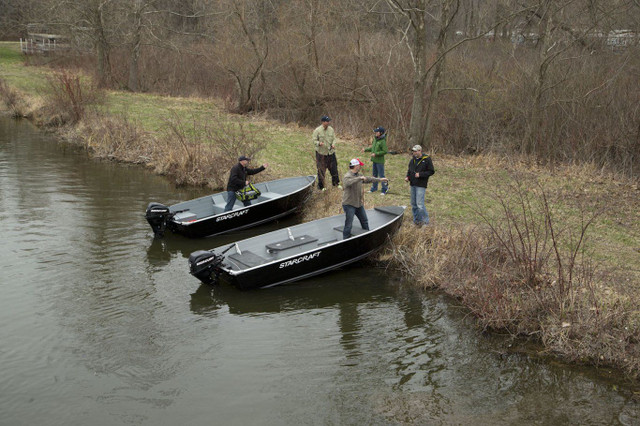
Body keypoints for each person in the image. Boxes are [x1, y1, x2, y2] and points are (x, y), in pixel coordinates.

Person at [341, 158, 388, 239]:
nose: (360, 167)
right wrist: (360, 178)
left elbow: (369, 179)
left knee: (364, 221)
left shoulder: (359, 175)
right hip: (349, 204)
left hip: (358, 204)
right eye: (359, 165)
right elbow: (347, 183)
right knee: (349, 224)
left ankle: (367, 237)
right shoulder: (347, 176)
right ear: (355, 166)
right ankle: (345, 240)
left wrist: (380, 179)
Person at [405, 145, 435, 226]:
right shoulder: (412, 160)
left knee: (420, 205)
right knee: (413, 204)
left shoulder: (427, 159)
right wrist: (407, 177)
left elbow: (431, 171)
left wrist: (420, 174)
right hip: (413, 184)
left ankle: (425, 222)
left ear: (420, 151)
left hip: (421, 185)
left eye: (415, 151)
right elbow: (409, 170)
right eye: (413, 151)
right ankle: (416, 221)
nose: (414, 152)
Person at [312, 115, 341, 190]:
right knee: (321, 170)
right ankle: (321, 187)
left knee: (334, 169)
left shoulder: (331, 129)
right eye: (327, 121)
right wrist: (319, 143)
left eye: (329, 121)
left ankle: (336, 184)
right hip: (321, 154)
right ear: (323, 122)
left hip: (331, 153)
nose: (328, 123)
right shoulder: (317, 130)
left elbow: (334, 139)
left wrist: (333, 144)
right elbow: (314, 140)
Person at [362, 126, 389, 194]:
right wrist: (365, 150)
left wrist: (376, 154)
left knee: (381, 175)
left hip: (380, 161)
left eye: (377, 132)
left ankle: (384, 189)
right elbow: (372, 148)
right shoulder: (375, 139)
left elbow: (385, 151)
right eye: (375, 132)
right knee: (374, 175)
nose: (375, 133)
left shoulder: (382, 141)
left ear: (381, 133)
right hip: (374, 160)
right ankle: (374, 188)